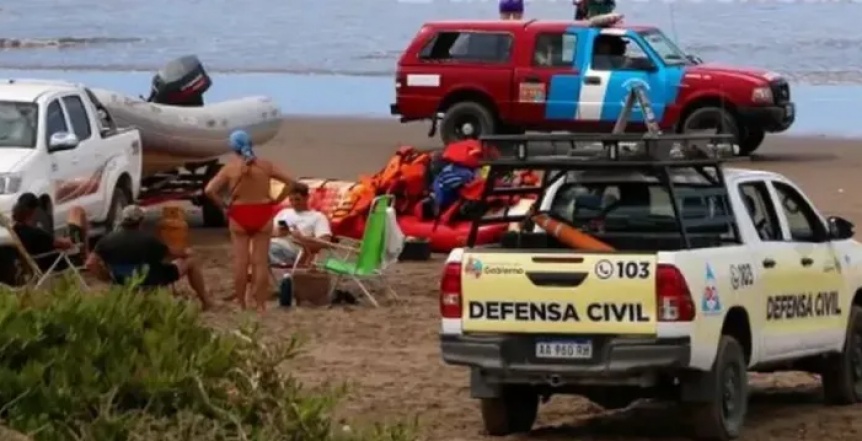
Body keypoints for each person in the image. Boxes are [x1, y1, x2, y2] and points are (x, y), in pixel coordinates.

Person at [204, 130, 296, 312]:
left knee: (241, 262)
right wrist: (276, 199)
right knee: (260, 262)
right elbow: (291, 182)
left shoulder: (230, 168)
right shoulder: (265, 166)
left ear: (233, 147)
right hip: (262, 210)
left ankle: (242, 304)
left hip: (240, 212)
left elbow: (209, 190)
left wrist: (222, 205)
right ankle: (260, 305)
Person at [84, 205, 214, 309]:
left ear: (123, 220)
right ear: (141, 221)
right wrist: (187, 251)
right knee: (190, 262)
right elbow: (172, 254)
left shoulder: (106, 240)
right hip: (151, 279)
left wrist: (106, 277)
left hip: (121, 279)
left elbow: (90, 263)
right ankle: (205, 301)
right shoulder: (148, 240)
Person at [11, 192, 88, 273]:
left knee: (76, 212)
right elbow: (67, 244)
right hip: (60, 264)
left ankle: (87, 257)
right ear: (33, 212)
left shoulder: (15, 230)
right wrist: (67, 240)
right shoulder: (36, 233)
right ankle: (86, 258)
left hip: (40, 263)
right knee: (77, 211)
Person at [270, 183, 333, 267]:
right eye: (291, 200)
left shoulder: (318, 217)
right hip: (275, 244)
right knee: (256, 247)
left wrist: (301, 238)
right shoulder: (284, 212)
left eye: (297, 199)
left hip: (295, 250)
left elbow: (325, 242)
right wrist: (278, 232)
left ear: (306, 197)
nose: (294, 203)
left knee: (261, 251)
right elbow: (267, 231)